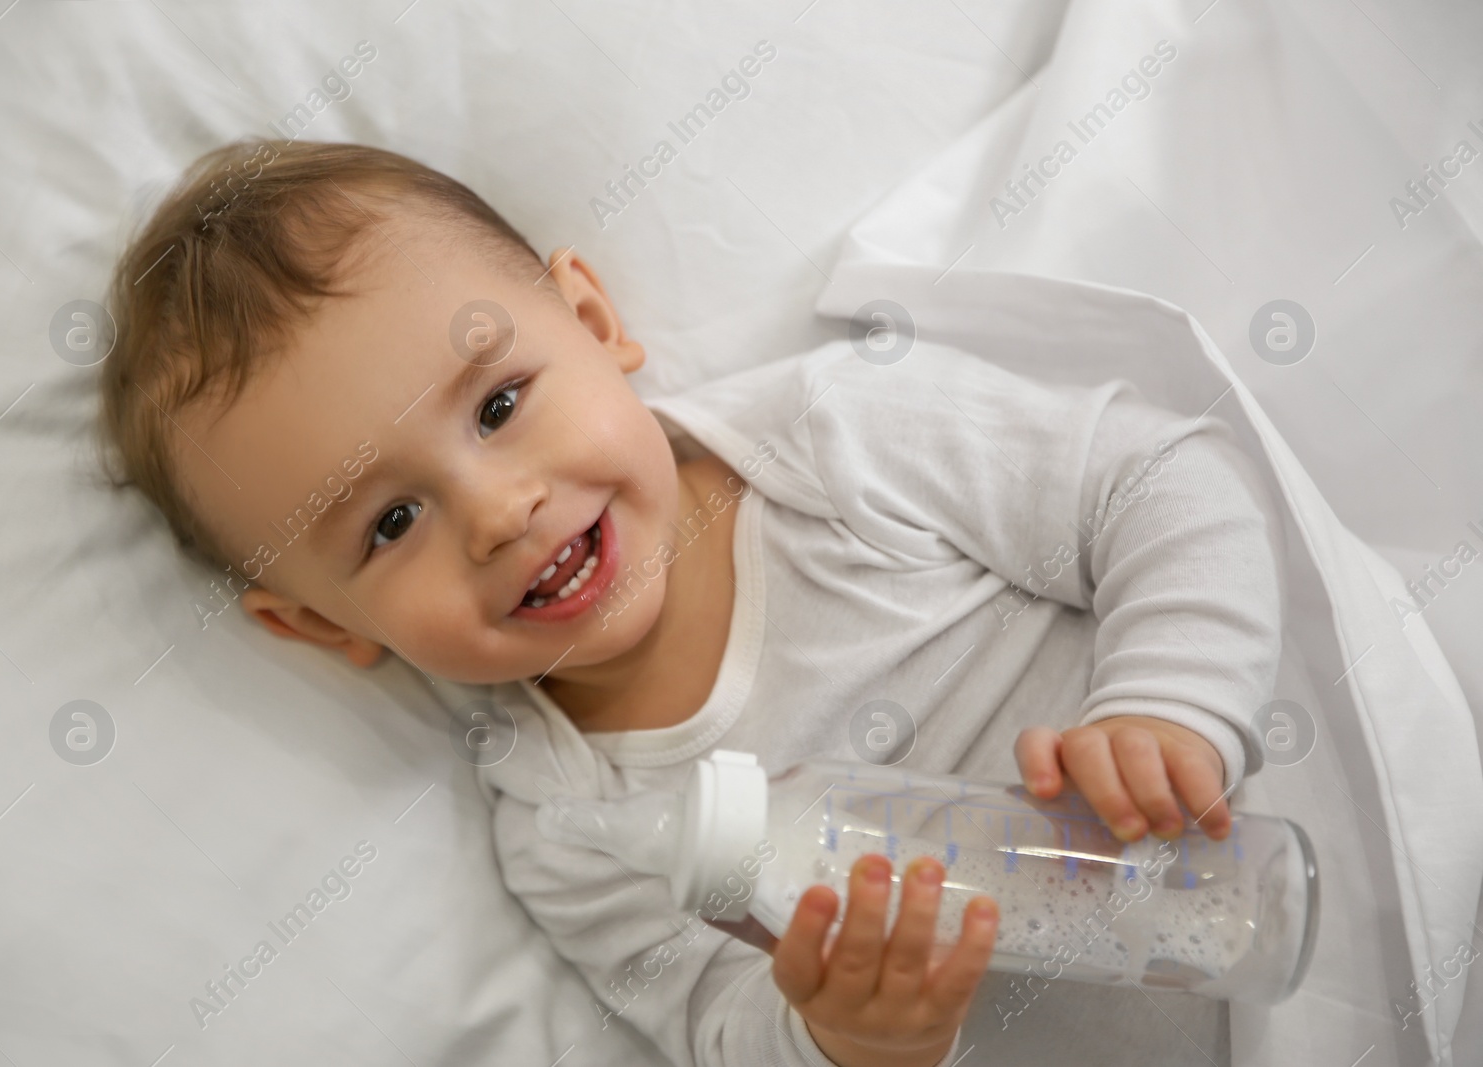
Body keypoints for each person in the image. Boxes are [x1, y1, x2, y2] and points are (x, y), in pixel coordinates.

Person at [98, 139, 1282, 1067]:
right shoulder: (573, 829)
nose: (500, 511)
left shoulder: (834, 442)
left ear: (595, 324)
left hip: (1273, 862)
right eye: (391, 522)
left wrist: (1168, 704)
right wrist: (849, 1035)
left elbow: (1155, 477)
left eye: (500, 405)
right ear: (322, 624)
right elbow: (721, 1032)